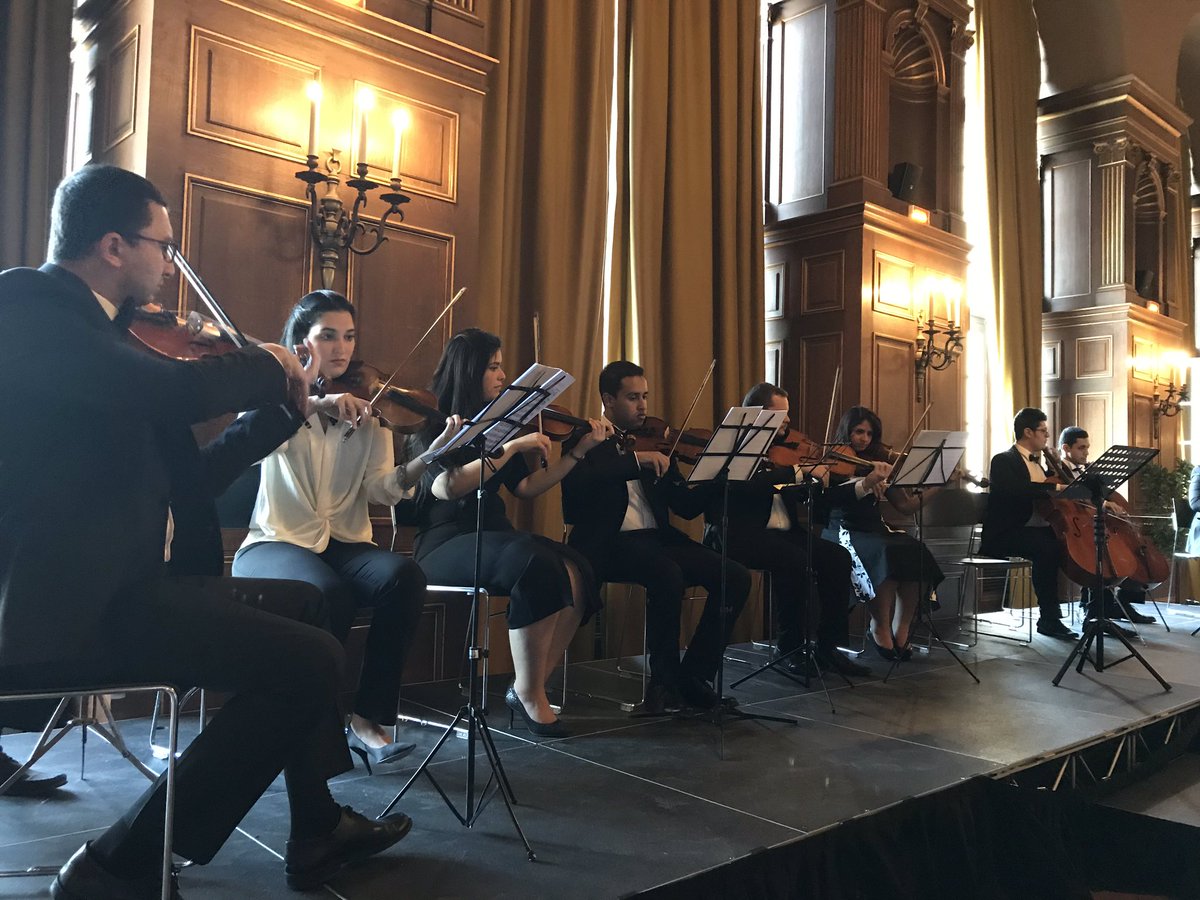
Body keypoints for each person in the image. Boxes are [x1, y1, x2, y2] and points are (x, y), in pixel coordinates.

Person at [0, 164, 411, 898]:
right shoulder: (30, 305)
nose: (169, 265)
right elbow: (170, 390)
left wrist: (285, 411)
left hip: (136, 588)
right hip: (67, 605)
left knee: (311, 614)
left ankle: (315, 826)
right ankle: (119, 864)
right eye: (163, 246)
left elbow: (198, 483)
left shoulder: (122, 345)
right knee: (310, 661)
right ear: (115, 245)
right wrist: (265, 363)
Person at [232, 290, 453, 771]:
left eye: (349, 337)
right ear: (302, 343)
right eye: (328, 336)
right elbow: (245, 449)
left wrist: (426, 460)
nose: (341, 348)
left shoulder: (370, 409)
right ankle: (316, 725)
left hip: (345, 542)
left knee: (404, 577)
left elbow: (381, 489)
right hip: (276, 540)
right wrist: (312, 403)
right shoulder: (275, 397)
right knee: (326, 592)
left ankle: (370, 718)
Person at [409, 328, 609, 737]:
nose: (503, 376)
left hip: (495, 534)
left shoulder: (501, 423)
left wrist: (577, 452)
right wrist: (513, 448)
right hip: (444, 542)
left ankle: (529, 685)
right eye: (494, 367)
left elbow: (527, 488)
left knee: (576, 567)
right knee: (532, 560)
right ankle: (530, 690)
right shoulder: (431, 423)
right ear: (469, 372)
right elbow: (447, 486)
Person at [561, 361, 751, 714]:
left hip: (656, 539)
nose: (643, 406)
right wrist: (637, 460)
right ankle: (663, 686)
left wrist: (716, 476)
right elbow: (577, 491)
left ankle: (694, 676)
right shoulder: (584, 438)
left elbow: (686, 506)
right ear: (607, 399)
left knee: (734, 575)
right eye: (633, 397)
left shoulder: (657, 442)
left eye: (645, 396)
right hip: (608, 544)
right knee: (667, 573)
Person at [704, 384, 876, 677]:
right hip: (739, 534)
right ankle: (789, 648)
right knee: (794, 559)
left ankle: (828, 648)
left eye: (788, 415)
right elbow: (742, 489)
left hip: (784, 533)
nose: (787, 423)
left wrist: (863, 485)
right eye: (779, 415)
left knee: (836, 557)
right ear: (756, 415)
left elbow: (820, 499)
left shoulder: (788, 453)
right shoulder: (734, 450)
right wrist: (795, 474)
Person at [823, 406, 945, 660]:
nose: (864, 439)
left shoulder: (878, 464)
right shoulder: (832, 461)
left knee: (914, 551)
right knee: (885, 553)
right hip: (842, 531)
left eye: (869, 434)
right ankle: (878, 627)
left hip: (875, 530)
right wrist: (865, 483)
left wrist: (937, 486)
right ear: (847, 431)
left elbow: (907, 506)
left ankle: (901, 629)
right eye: (858, 432)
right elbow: (828, 501)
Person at [979, 408, 1078, 640]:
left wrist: (1056, 471)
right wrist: (1055, 487)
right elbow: (1018, 491)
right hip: (1006, 533)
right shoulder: (1004, 460)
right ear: (1027, 432)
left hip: (1035, 531)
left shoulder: (1041, 465)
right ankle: (1049, 618)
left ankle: (1089, 606)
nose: (1046, 436)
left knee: (1065, 544)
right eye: (1043, 431)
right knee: (1048, 548)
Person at [1057, 426, 1155, 626]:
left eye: (1087, 447)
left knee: (1124, 548)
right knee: (1100, 553)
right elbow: (1073, 501)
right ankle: (1096, 609)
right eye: (1081, 448)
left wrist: (1108, 501)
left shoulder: (1090, 471)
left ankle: (1119, 603)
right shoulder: (1056, 472)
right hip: (1073, 529)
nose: (1086, 452)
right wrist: (1101, 503)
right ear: (1066, 448)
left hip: (1094, 525)